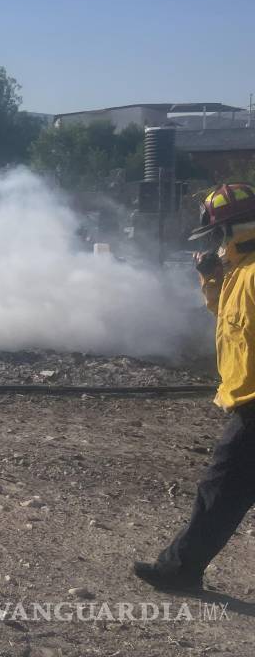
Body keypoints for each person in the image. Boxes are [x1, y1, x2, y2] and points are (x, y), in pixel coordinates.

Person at [134, 182, 255, 591]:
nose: (214, 245)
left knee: (220, 491)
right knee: (224, 492)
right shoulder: (239, 271)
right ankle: (181, 568)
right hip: (245, 400)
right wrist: (209, 278)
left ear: (232, 230)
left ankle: (179, 570)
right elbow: (228, 313)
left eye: (216, 235)